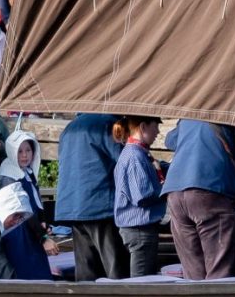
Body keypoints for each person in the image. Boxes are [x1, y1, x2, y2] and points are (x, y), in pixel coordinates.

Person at [163, 119, 235, 280]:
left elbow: (170, 141)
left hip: (175, 192)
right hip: (210, 188)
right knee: (220, 270)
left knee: (193, 272)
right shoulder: (234, 114)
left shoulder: (191, 114)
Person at [53, 111, 125, 281]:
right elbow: (124, 160)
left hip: (73, 205)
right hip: (99, 204)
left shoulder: (70, 127)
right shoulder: (108, 123)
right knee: (115, 272)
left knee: (86, 273)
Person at [111, 116, 168, 277]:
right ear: (143, 127)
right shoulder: (135, 156)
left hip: (138, 228)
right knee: (141, 281)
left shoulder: (137, 153)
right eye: (155, 126)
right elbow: (142, 196)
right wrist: (166, 189)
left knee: (144, 277)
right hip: (139, 229)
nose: (158, 131)